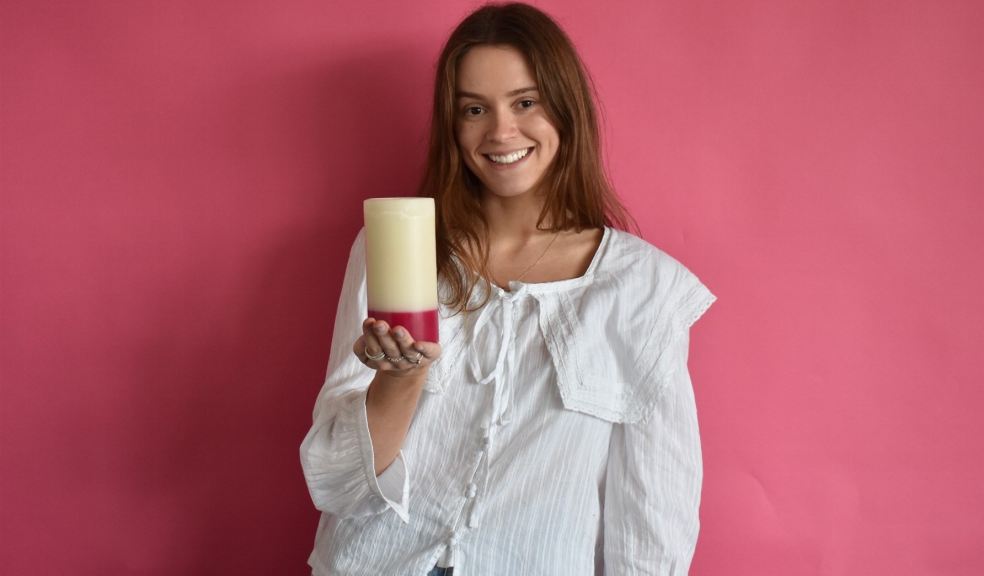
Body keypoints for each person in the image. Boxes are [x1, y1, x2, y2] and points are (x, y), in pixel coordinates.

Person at [300, 3, 716, 575]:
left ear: (565, 110)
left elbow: (654, 513)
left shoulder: (643, 289)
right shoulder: (395, 252)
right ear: (454, 124)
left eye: (525, 102)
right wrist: (400, 381)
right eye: (475, 108)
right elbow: (336, 486)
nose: (501, 131)